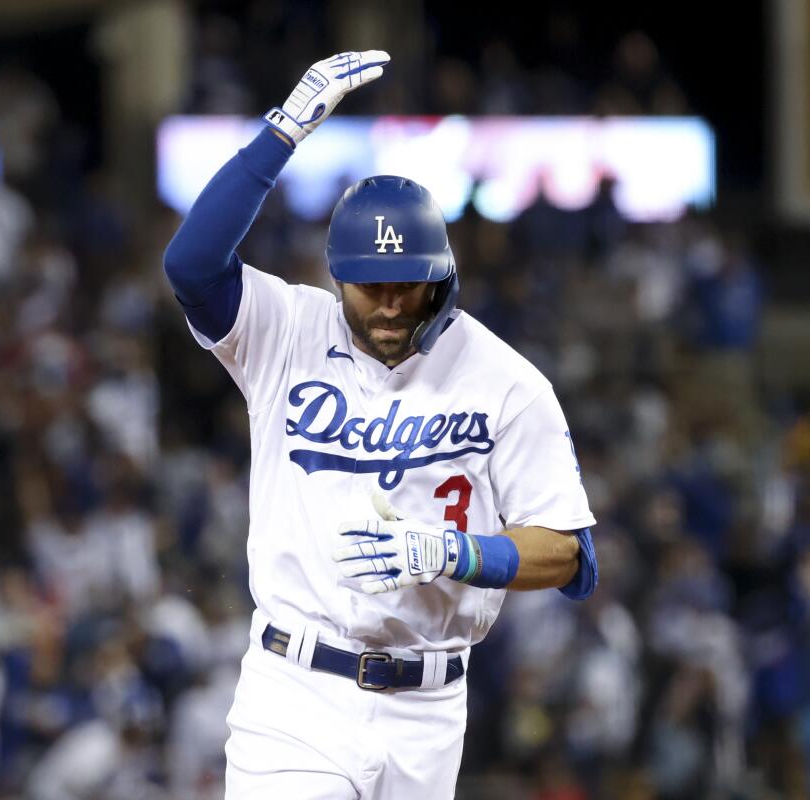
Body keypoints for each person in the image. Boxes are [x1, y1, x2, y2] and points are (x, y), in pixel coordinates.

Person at [162, 52, 598, 799]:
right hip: (294, 693)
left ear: (443, 277)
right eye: (371, 286)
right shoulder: (287, 330)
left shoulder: (508, 382)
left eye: (409, 285)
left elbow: (568, 555)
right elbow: (193, 265)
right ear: (337, 278)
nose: (391, 304)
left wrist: (453, 551)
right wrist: (282, 132)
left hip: (427, 710)